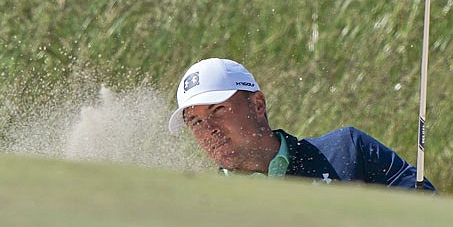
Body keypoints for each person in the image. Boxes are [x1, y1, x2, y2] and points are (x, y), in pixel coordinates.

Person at [169, 58, 436, 191]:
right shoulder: (207, 205)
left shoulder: (348, 151)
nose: (208, 129)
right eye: (195, 121)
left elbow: (433, 215)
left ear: (257, 105)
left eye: (219, 110)